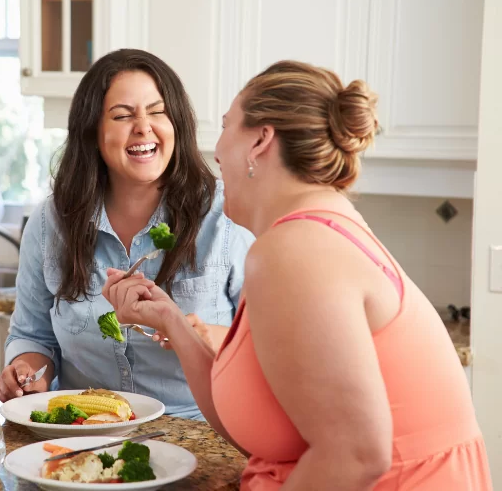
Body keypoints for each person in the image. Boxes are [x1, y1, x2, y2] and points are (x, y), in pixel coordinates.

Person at [103, 60, 491, 489]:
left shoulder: (295, 250)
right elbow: (263, 429)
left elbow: (356, 454)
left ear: (260, 141)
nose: (216, 150)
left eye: (227, 126)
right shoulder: (311, 230)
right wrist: (171, 321)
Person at [0, 48, 254, 420]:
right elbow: (33, 335)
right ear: (93, 132)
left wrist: (195, 333)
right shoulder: (50, 222)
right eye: (122, 115)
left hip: (201, 429)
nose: (143, 127)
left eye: (157, 112)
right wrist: (26, 371)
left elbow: (267, 346)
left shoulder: (227, 215)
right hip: (86, 430)